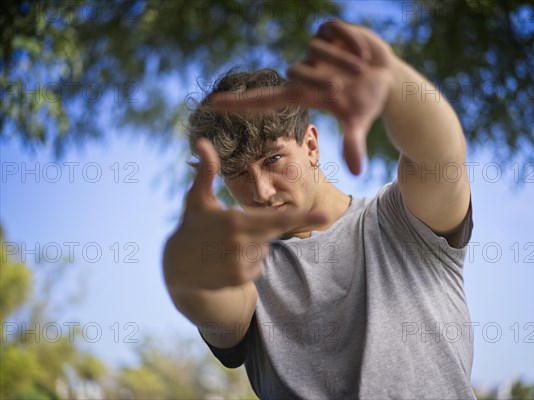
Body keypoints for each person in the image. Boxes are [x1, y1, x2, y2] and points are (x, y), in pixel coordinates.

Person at [163, 20, 475, 399]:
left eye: (273, 159)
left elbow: (440, 158)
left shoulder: (400, 221)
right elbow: (223, 309)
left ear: (310, 145)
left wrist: (395, 83)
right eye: (236, 173)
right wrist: (187, 276)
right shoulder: (245, 264)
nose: (261, 190)